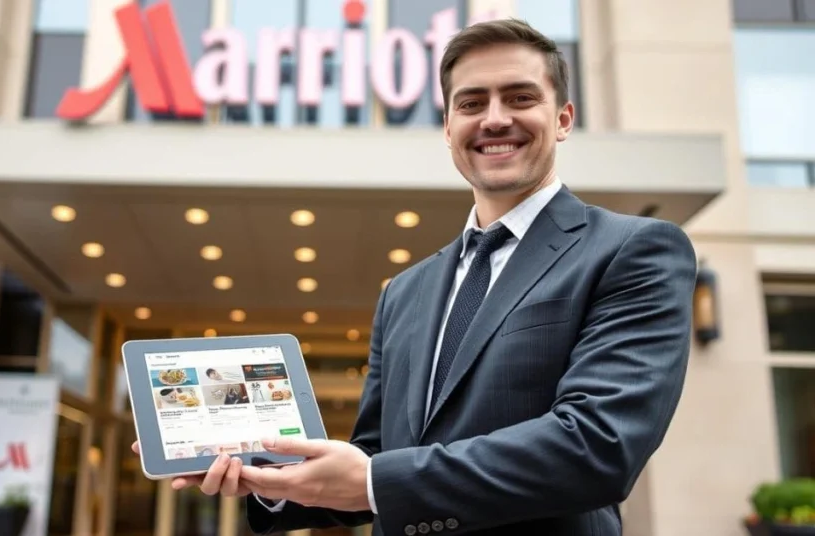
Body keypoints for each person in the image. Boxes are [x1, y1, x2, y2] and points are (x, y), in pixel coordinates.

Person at [132, 18, 697, 535]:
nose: (495, 117)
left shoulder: (635, 250)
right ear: (448, 128)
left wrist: (377, 482)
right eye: (472, 102)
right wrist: (270, 479)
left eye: (520, 97)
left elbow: (597, 446)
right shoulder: (405, 292)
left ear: (563, 119)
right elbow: (375, 455)